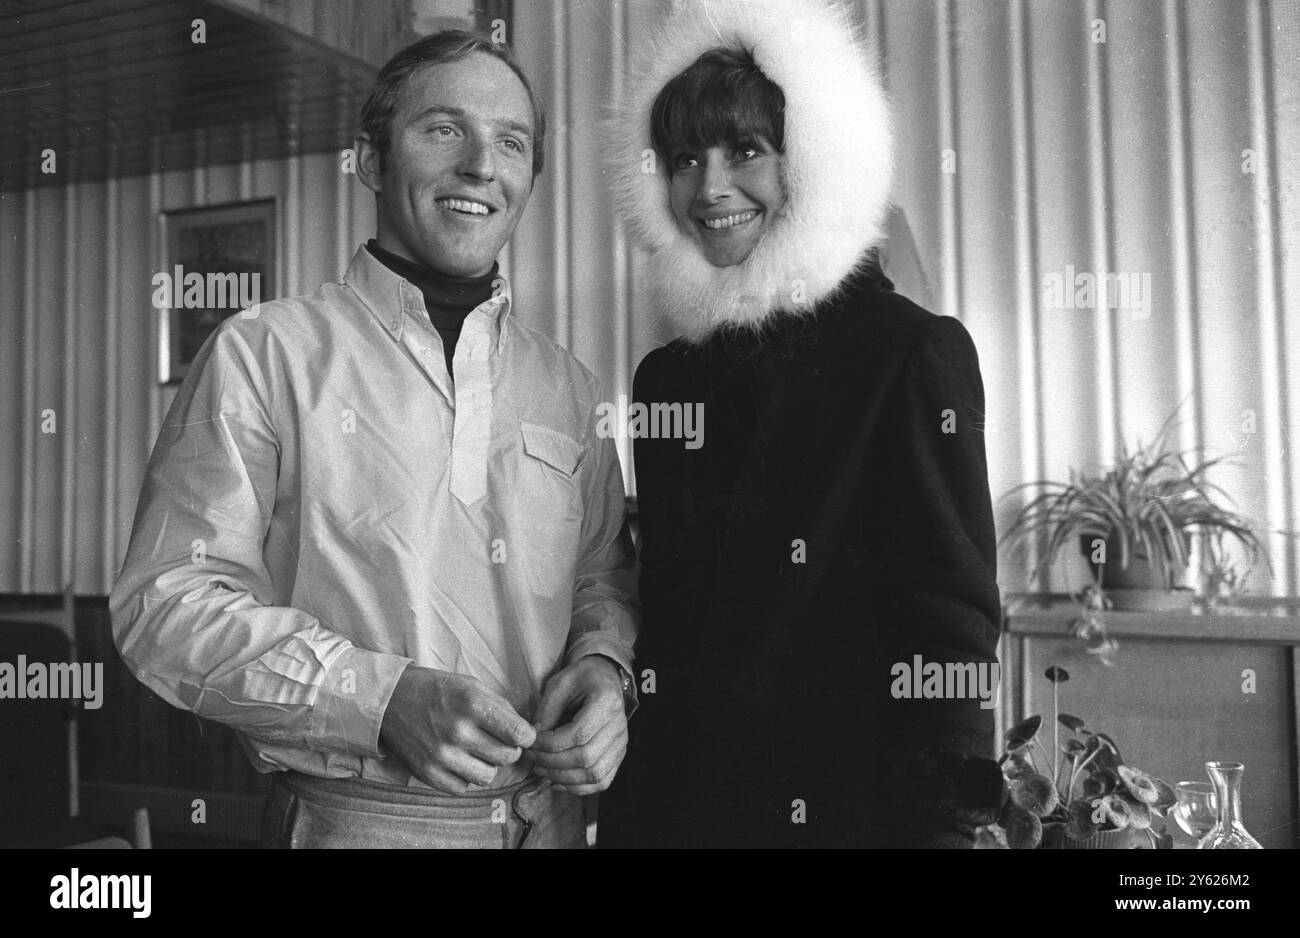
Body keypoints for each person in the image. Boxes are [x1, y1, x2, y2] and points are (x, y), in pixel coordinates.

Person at [110, 31, 639, 849]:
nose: (480, 165)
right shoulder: (263, 353)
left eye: (511, 142)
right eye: (443, 129)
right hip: (358, 827)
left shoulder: (568, 386)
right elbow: (166, 605)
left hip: (553, 825)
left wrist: (606, 670)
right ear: (369, 159)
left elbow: (602, 578)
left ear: (529, 180)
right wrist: (378, 700)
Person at [597, 0, 1003, 848]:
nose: (709, 188)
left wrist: (943, 834)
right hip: (677, 811)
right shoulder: (665, 376)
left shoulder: (910, 354)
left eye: (745, 150)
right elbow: (668, 614)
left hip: (855, 816)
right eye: (682, 158)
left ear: (812, 161)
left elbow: (950, 633)